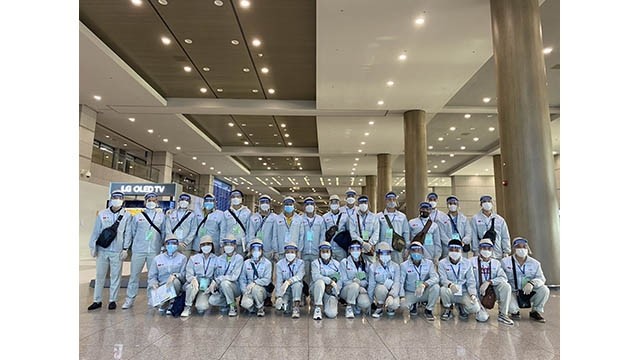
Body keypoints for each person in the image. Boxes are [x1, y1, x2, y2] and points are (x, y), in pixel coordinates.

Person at [87, 190, 132, 311]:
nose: (117, 199)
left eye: (119, 197)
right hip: (102, 249)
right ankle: (97, 300)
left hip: (117, 251)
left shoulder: (127, 215)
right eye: (115, 197)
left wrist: (125, 249)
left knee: (115, 276)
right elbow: (96, 231)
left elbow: (128, 233)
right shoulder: (102, 214)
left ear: (123, 200)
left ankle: (113, 300)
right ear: (111, 199)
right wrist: (93, 246)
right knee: (100, 275)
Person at [122, 192, 166, 310]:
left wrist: (163, 247)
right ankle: (129, 300)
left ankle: (152, 299)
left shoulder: (161, 216)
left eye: (154, 200)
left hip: (154, 251)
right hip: (138, 250)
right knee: (134, 276)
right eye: (149, 200)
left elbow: (164, 233)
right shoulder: (137, 216)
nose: (151, 202)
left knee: (153, 277)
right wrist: (126, 248)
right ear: (145, 202)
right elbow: (132, 232)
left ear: (157, 202)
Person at [501, 237, 550, 323]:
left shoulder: (535, 263)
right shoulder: (505, 262)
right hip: (513, 291)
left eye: (524, 246)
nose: (522, 249)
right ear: (514, 248)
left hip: (528, 290)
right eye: (518, 247)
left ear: (527, 248)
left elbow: (541, 278)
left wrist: (532, 283)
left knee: (544, 290)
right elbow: (501, 277)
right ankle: (514, 311)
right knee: (512, 309)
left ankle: (535, 311)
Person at [471, 239, 514, 325]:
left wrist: (489, 282)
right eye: (484, 248)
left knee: (506, 286)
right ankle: (469, 309)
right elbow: (468, 280)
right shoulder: (471, 261)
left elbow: (503, 277)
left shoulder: (496, 263)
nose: (486, 250)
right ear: (479, 249)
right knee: (482, 318)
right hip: (476, 293)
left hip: (491, 292)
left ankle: (503, 314)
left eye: (488, 248)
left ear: (492, 250)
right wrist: (473, 294)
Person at [247, 194, 278, 306]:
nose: (264, 204)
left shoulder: (274, 218)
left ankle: (268, 297)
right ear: (259, 204)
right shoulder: (253, 217)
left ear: (270, 204)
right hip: (255, 249)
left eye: (267, 202)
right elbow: (250, 234)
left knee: (268, 275)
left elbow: (275, 235)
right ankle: (253, 293)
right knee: (255, 272)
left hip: (269, 250)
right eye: (262, 202)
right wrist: (249, 248)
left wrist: (275, 250)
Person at [439, 239, 481, 321]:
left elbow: (471, 280)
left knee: (475, 308)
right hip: (450, 290)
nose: (454, 252)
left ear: (461, 250)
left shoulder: (467, 263)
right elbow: (442, 279)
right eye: (452, 249)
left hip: (463, 291)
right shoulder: (442, 263)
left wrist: (472, 294)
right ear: (448, 250)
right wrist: (450, 285)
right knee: (443, 290)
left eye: (457, 249)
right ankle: (448, 308)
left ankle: (462, 307)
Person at [399, 241, 439, 320]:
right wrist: (402, 296)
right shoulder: (404, 265)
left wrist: (424, 284)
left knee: (436, 287)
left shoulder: (429, 263)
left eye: (418, 250)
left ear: (422, 251)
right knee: (403, 306)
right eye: (413, 250)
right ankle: (413, 305)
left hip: (424, 291)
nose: (416, 252)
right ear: (410, 252)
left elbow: (435, 278)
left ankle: (428, 309)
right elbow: (401, 282)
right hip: (411, 292)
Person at [148, 235, 187, 314]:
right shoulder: (157, 259)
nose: (171, 245)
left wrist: (175, 275)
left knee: (175, 282)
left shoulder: (182, 258)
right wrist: (154, 284)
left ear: (177, 244)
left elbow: (184, 275)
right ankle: (164, 303)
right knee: (155, 301)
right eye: (168, 243)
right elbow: (152, 276)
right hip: (161, 287)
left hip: (175, 285)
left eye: (174, 243)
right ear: (165, 245)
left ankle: (172, 303)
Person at [208, 235, 244, 317]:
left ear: (235, 246)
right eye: (226, 244)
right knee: (212, 300)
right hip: (222, 288)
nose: (228, 247)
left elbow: (234, 276)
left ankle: (232, 306)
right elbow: (216, 274)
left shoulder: (239, 259)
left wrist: (219, 280)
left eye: (231, 244)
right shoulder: (219, 258)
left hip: (235, 287)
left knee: (225, 283)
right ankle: (229, 301)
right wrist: (214, 283)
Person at [181, 235, 216, 317]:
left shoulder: (216, 259)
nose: (206, 247)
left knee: (201, 307)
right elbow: (189, 274)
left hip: (206, 287)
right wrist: (193, 279)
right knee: (191, 286)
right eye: (203, 245)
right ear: (200, 246)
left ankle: (198, 299)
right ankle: (187, 307)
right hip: (195, 283)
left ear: (212, 246)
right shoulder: (194, 258)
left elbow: (217, 275)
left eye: (208, 244)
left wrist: (213, 284)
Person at [239, 239, 273, 317]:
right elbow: (242, 278)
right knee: (245, 304)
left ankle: (260, 307)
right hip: (248, 289)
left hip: (261, 289)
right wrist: (244, 291)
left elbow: (267, 280)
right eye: (254, 250)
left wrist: (255, 283)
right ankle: (254, 308)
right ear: (250, 251)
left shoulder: (267, 263)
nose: (256, 252)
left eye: (258, 249)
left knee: (256, 289)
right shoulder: (246, 263)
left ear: (262, 250)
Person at [339, 241, 372, 318]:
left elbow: (367, 281)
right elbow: (344, 281)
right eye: (353, 249)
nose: (355, 251)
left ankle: (357, 306)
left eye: (358, 249)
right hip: (346, 290)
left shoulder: (365, 263)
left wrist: (360, 284)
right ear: (349, 250)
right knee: (354, 286)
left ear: (361, 250)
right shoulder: (344, 263)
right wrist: (355, 283)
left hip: (360, 289)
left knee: (365, 303)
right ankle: (349, 306)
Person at [368, 242, 401, 318]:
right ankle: (379, 307)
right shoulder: (373, 267)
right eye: (382, 253)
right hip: (380, 292)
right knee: (380, 288)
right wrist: (370, 301)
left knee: (395, 304)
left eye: (387, 253)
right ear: (378, 254)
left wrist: (391, 295)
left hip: (392, 291)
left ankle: (390, 308)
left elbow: (397, 283)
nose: (385, 255)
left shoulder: (396, 266)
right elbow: (371, 284)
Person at [310, 242, 342, 320]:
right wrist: (329, 281)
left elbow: (340, 278)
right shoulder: (315, 263)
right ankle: (318, 307)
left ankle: (328, 303)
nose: (325, 253)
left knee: (331, 314)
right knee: (320, 282)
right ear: (320, 253)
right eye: (323, 251)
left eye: (327, 251)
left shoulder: (336, 264)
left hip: (330, 291)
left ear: (330, 252)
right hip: (317, 289)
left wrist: (334, 289)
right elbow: (315, 276)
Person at [300, 197, 327, 288]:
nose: (309, 206)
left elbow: (322, 235)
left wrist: (321, 250)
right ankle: (304, 294)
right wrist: (299, 250)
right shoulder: (300, 219)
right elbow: (299, 235)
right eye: (307, 204)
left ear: (315, 206)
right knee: (304, 275)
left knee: (315, 275)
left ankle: (313, 295)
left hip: (316, 253)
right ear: (304, 207)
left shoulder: (320, 219)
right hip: (304, 252)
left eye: (311, 204)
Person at [377, 191, 410, 264]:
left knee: (397, 268)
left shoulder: (402, 216)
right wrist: (377, 248)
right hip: (383, 248)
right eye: (389, 199)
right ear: (385, 201)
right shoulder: (379, 216)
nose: (391, 201)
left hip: (397, 248)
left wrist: (407, 248)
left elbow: (406, 232)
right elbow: (377, 233)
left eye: (393, 199)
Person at [274, 242, 305, 318]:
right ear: (285, 253)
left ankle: (296, 307)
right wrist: (279, 296)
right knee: (285, 310)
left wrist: (289, 281)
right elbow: (279, 281)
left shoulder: (301, 263)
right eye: (288, 252)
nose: (290, 254)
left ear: (296, 253)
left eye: (292, 252)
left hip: (296, 289)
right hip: (285, 289)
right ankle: (287, 303)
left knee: (297, 284)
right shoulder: (279, 264)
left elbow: (299, 276)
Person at [348, 195, 379, 264]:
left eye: (365, 202)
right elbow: (353, 233)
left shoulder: (374, 217)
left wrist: (370, 244)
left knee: (371, 267)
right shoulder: (353, 217)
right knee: (358, 266)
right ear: (358, 204)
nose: (363, 205)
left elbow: (376, 232)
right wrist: (363, 243)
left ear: (368, 204)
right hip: (357, 247)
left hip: (370, 248)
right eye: (361, 203)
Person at [164, 193, 197, 257]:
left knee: (183, 264)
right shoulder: (171, 213)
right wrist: (172, 240)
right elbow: (168, 228)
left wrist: (186, 242)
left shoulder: (192, 215)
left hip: (185, 246)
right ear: (178, 201)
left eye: (186, 200)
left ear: (189, 203)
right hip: (172, 243)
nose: (184, 202)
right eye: (182, 200)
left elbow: (193, 230)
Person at [273, 196, 303, 263]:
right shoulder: (277, 219)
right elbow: (274, 236)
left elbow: (301, 236)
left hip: (294, 251)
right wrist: (276, 251)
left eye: (290, 204)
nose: (288, 206)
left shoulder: (299, 219)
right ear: (283, 206)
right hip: (281, 251)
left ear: (294, 206)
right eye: (286, 204)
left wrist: (299, 250)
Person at [223, 190, 251, 255]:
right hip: (228, 244)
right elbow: (223, 230)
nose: (235, 198)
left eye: (238, 196)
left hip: (241, 244)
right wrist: (222, 245)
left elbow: (249, 230)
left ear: (242, 199)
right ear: (230, 199)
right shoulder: (226, 213)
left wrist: (248, 244)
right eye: (233, 197)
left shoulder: (247, 212)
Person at [425, 192, 451, 259]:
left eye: (434, 200)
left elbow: (449, 232)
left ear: (437, 201)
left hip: (443, 244)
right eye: (430, 199)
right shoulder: (423, 216)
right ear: (427, 200)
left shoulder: (444, 216)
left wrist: (448, 242)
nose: (432, 201)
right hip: (430, 243)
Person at [323, 194, 348, 261]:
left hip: (341, 248)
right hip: (329, 247)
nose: (334, 204)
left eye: (336, 202)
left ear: (339, 204)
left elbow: (348, 231)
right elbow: (323, 232)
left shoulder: (345, 216)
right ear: (329, 204)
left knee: (342, 268)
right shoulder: (325, 217)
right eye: (332, 202)